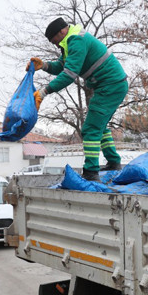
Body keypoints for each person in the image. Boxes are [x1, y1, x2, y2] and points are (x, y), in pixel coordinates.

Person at [27, 17, 127, 181]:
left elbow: (69, 75)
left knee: (90, 128)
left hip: (110, 86)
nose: (55, 44)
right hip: (112, 85)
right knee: (99, 126)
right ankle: (114, 161)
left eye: (55, 40)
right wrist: (44, 65)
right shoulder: (70, 41)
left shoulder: (76, 41)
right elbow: (61, 66)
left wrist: (44, 92)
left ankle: (91, 172)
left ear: (62, 31)